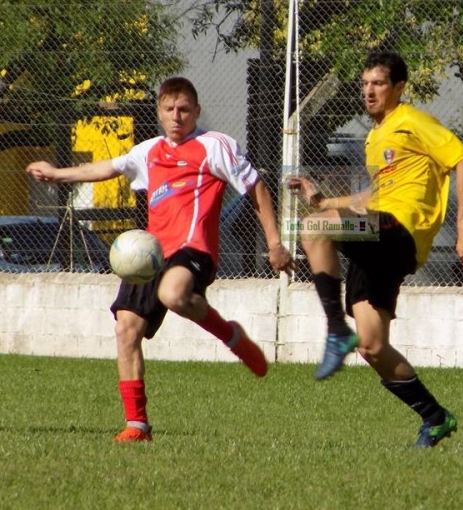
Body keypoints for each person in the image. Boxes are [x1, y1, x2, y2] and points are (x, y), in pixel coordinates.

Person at [26, 76, 294, 442]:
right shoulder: (149, 151)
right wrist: (58, 174)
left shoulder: (214, 146)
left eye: (184, 109)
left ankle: (230, 334)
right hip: (151, 254)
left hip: (194, 249)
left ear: (196, 111)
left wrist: (274, 243)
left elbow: (257, 187)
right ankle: (137, 425)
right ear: (159, 112)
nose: (176, 116)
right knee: (126, 329)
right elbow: (108, 167)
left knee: (172, 294)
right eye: (169, 109)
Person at [288, 51, 463, 448]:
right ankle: (435, 417)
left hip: (399, 231)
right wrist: (322, 201)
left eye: (378, 83)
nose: (368, 91)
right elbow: (375, 196)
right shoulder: (375, 137)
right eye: (365, 84)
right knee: (372, 346)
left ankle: (335, 331)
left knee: (312, 230)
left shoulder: (412, 121)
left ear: (399, 87)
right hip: (378, 234)